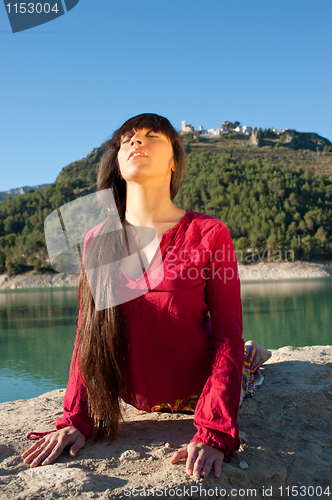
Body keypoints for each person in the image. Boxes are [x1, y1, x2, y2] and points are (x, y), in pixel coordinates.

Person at [22, 113, 271, 478]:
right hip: (129, 395)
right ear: (118, 164)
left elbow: (226, 335)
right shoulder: (97, 238)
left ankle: (255, 356)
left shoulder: (209, 233)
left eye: (152, 136)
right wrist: (76, 418)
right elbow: (86, 335)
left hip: (194, 390)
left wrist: (214, 432)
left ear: (174, 161)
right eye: (127, 139)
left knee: (240, 354)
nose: (136, 142)